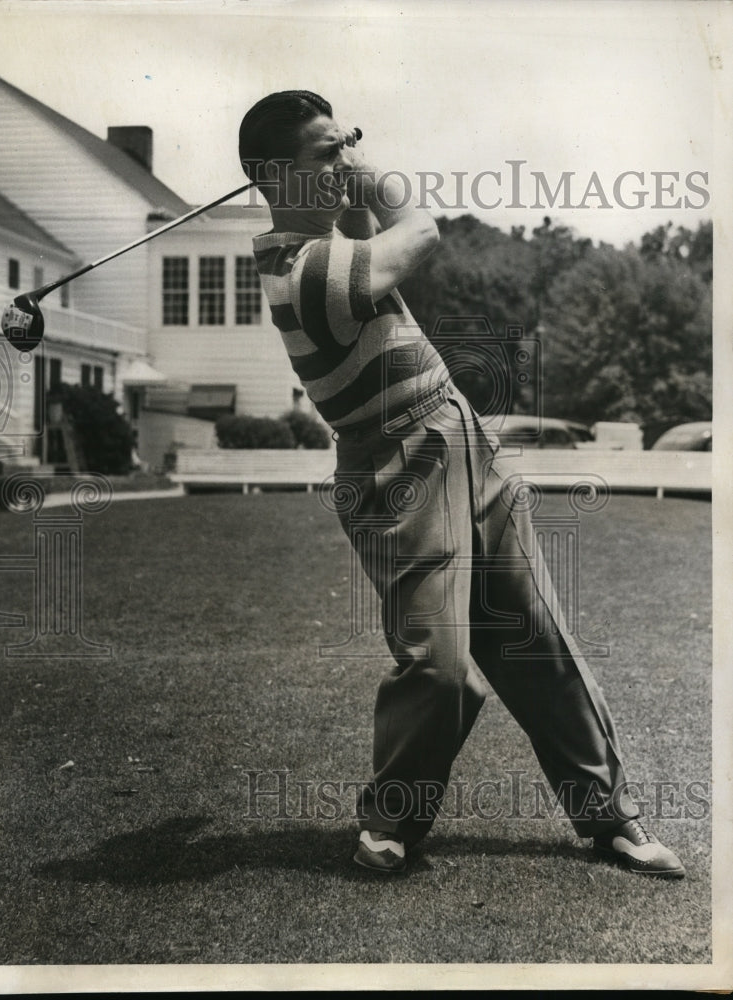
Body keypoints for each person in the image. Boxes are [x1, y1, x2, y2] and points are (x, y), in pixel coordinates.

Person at [238, 90, 685, 878]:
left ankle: (609, 817)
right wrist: (370, 174)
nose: (341, 163)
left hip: (459, 434)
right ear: (274, 176)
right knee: (439, 665)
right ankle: (393, 821)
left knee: (534, 638)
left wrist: (338, 169)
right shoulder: (297, 271)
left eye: (343, 147)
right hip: (391, 471)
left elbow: (366, 231)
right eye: (323, 153)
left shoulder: (329, 240)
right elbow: (421, 231)